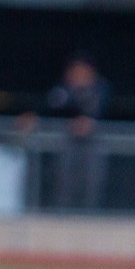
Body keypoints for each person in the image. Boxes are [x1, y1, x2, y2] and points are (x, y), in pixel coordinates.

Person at [47, 53, 110, 210]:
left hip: (93, 145)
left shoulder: (102, 89)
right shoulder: (62, 90)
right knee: (64, 182)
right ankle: (62, 214)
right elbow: (51, 109)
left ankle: (91, 215)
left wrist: (90, 123)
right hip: (68, 144)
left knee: (92, 182)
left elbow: (106, 111)